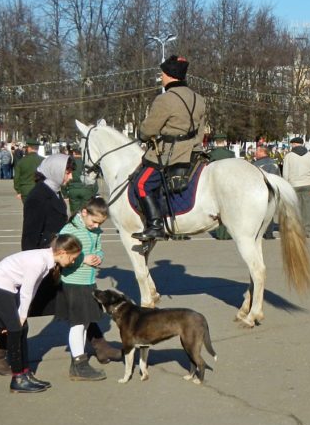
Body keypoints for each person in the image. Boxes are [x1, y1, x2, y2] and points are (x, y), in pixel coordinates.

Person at [0, 234, 83, 393]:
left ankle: (25, 373)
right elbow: (26, 291)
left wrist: (23, 315)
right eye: (72, 258)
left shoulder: (47, 261)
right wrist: (21, 315)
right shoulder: (38, 262)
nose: (73, 261)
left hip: (7, 287)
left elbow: (33, 289)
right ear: (62, 252)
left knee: (22, 328)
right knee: (15, 330)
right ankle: (18, 379)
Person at [131, 55, 206, 242]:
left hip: (169, 154)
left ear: (170, 75)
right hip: (193, 151)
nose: (161, 78)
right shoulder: (199, 99)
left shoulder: (165, 99)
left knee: (141, 183)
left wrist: (142, 136)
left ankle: (155, 225)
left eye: (162, 74)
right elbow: (200, 130)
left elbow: (149, 129)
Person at [57, 197, 115, 380]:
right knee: (78, 323)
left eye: (100, 223)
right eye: (94, 221)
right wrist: (84, 260)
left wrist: (98, 256)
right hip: (73, 282)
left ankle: (79, 361)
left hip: (88, 281)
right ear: (84, 213)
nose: (96, 226)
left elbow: (98, 249)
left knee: (86, 322)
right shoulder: (69, 230)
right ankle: (78, 363)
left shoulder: (95, 230)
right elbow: (62, 255)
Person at [22, 153, 73, 251]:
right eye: (67, 173)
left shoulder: (54, 190)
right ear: (55, 171)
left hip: (56, 252)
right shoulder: (38, 197)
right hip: (44, 254)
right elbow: (30, 237)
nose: (71, 177)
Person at [283, 136, 310, 236]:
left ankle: (295, 229)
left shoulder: (289, 156)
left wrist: (286, 187)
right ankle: (307, 230)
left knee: (294, 209)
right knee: (306, 209)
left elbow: (285, 173)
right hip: (307, 184)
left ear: (294, 144)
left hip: (293, 185)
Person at [207, 134, 235, 240]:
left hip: (214, 184)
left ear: (215, 142)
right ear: (224, 142)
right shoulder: (230, 154)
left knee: (217, 209)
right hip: (228, 184)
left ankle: (219, 233)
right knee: (227, 208)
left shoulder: (210, 154)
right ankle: (227, 233)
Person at [62, 146, 98, 217]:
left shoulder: (69, 162)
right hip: (87, 189)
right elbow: (93, 178)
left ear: (74, 152)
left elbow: (65, 177)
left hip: (73, 189)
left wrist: (65, 193)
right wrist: (94, 191)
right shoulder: (87, 162)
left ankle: (76, 226)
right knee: (86, 213)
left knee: (75, 214)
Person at [252, 145, 279, 239]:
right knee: (269, 213)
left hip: (258, 191)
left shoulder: (255, 164)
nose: (255, 153)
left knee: (257, 213)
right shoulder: (274, 163)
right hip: (271, 190)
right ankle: (269, 234)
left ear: (263, 152)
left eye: (257, 151)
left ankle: (256, 233)